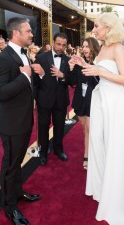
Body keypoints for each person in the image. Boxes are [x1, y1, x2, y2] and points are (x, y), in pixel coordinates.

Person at [83, 13, 124, 224]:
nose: (93, 30)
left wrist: (98, 70)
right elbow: (101, 73)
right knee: (101, 144)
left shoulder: (118, 48)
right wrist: (84, 65)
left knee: (117, 147)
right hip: (101, 101)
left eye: (96, 26)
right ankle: (104, 186)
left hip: (116, 104)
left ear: (108, 27)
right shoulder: (103, 48)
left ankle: (119, 192)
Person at [0, 17, 41, 225]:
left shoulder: (23, 55)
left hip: (24, 119)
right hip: (12, 123)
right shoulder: (4, 58)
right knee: (10, 165)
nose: (32, 34)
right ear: (16, 34)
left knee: (17, 162)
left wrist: (33, 74)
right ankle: (9, 206)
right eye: (28, 31)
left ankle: (18, 192)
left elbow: (26, 83)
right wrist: (24, 77)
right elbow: (1, 93)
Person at [32, 32, 72, 166]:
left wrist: (63, 75)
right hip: (44, 99)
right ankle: (43, 151)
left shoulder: (68, 59)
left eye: (63, 45)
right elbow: (35, 80)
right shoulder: (41, 57)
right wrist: (35, 98)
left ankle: (58, 149)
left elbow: (71, 81)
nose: (61, 47)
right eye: (58, 44)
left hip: (60, 99)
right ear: (53, 42)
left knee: (59, 126)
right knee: (43, 126)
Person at [68, 37, 100, 169]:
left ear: (93, 47)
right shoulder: (78, 62)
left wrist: (86, 66)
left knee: (89, 128)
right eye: (83, 46)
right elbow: (72, 82)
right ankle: (90, 150)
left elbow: (100, 81)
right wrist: (70, 68)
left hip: (93, 100)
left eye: (87, 46)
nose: (85, 49)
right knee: (84, 128)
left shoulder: (99, 62)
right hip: (80, 100)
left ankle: (88, 155)